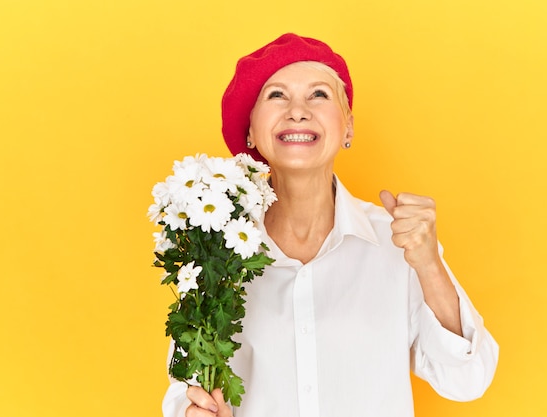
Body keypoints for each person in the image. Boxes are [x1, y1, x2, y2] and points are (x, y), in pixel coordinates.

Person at [162, 33, 499, 417]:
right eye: (276, 95)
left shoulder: (399, 243)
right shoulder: (214, 253)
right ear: (251, 133)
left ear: (349, 128)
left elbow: (468, 380)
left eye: (319, 95)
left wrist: (428, 264)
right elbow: (184, 387)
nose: (298, 110)